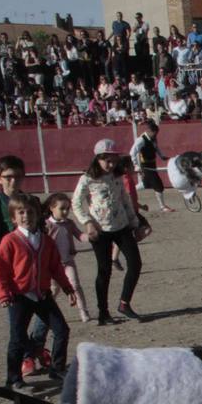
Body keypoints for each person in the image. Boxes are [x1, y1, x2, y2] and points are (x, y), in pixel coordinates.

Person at [0, 194, 77, 391]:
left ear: (38, 214)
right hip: (19, 296)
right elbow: (0, 270)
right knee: (17, 338)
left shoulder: (46, 241)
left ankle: (56, 368)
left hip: (42, 294)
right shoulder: (10, 241)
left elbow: (55, 267)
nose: (26, 216)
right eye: (21, 212)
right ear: (13, 217)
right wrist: (3, 294)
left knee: (62, 330)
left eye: (30, 212)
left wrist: (67, 288)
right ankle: (13, 379)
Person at [73, 138, 143, 324]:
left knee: (135, 263)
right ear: (97, 159)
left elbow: (125, 200)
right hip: (100, 230)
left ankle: (124, 303)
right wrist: (87, 223)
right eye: (107, 160)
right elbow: (76, 203)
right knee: (104, 271)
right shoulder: (87, 179)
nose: (111, 164)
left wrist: (134, 222)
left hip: (121, 226)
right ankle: (103, 312)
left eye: (114, 160)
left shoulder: (117, 176)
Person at [44, 192, 91, 323]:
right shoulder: (47, 225)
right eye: (61, 208)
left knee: (75, 285)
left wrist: (90, 237)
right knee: (54, 289)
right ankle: (46, 312)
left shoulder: (69, 223)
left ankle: (83, 311)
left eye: (67, 209)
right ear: (51, 208)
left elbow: (79, 235)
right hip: (53, 265)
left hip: (68, 261)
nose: (65, 212)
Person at [130, 120, 176, 213]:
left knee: (146, 184)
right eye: (155, 134)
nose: (156, 136)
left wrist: (162, 156)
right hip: (146, 166)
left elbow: (156, 147)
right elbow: (132, 153)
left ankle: (128, 192)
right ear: (149, 131)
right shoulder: (141, 140)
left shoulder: (153, 138)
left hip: (152, 164)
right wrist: (135, 165)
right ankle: (162, 207)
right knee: (159, 186)